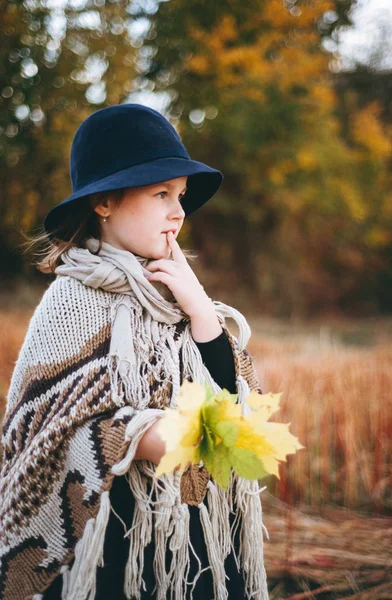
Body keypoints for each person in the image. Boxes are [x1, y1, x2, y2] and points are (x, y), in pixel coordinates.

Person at [0, 104, 269, 600]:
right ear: (104, 202)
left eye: (182, 196)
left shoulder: (177, 294)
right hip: (115, 541)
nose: (179, 212)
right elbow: (45, 428)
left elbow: (241, 404)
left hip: (193, 540)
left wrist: (202, 313)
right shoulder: (71, 304)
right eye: (161, 194)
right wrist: (136, 434)